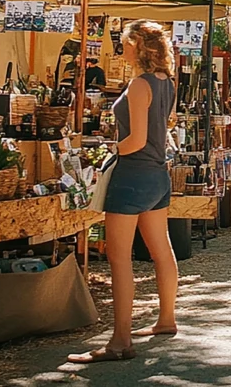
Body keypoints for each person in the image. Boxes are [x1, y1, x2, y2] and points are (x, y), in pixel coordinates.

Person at [68, 20, 178, 363]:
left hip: (132, 176)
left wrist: (109, 150)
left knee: (119, 260)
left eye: (125, 42)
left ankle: (119, 341)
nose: (121, 47)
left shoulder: (140, 83)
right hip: (158, 176)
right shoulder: (166, 82)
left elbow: (137, 140)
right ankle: (166, 319)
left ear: (137, 45)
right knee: (162, 250)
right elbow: (162, 131)